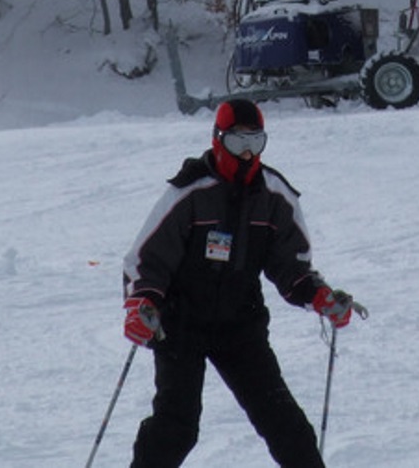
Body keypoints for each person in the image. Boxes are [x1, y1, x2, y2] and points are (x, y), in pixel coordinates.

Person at [122, 98, 357, 468]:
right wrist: (141, 304)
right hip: (181, 325)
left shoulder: (275, 195)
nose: (247, 152)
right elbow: (146, 259)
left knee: (285, 423)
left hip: (239, 325)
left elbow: (291, 267)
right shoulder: (190, 192)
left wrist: (320, 296)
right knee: (176, 427)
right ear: (218, 139)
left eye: (256, 141)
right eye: (237, 141)